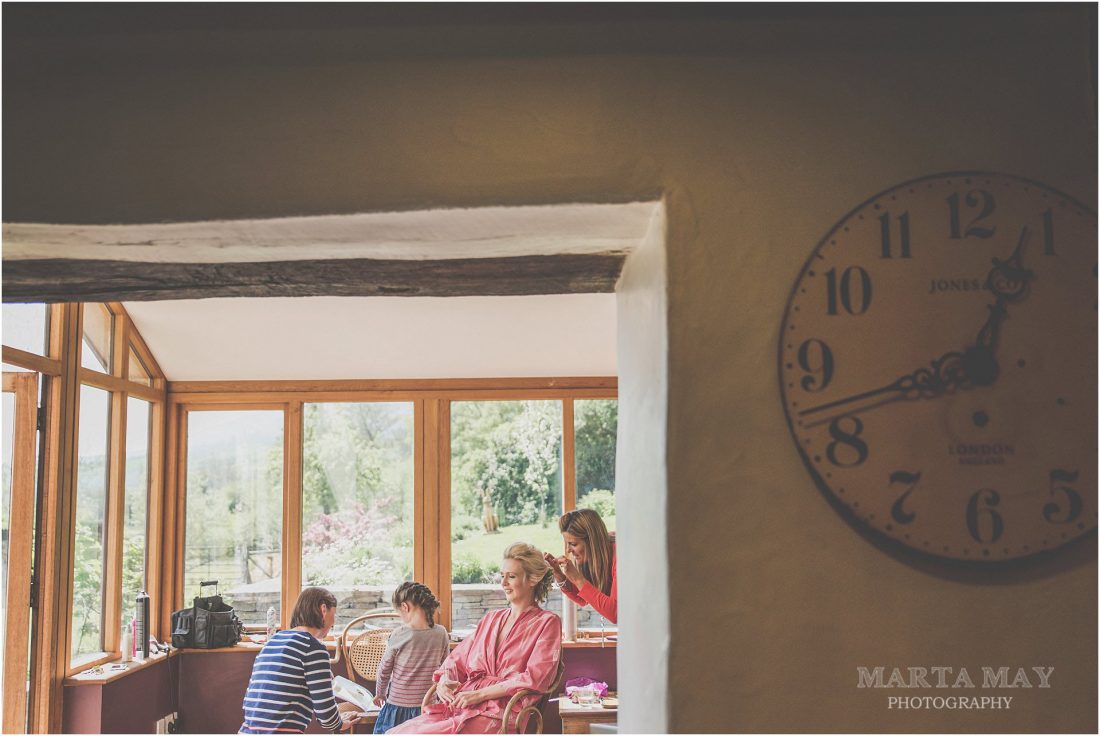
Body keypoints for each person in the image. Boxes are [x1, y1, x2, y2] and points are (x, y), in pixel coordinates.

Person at [387, 543, 562, 734]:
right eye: (502, 575)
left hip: (501, 714)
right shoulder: (491, 619)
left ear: (533, 580)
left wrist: (479, 695)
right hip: (462, 704)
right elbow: (456, 661)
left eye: (511, 576)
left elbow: (535, 678)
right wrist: (445, 681)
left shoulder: (547, 623)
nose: (503, 582)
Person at [240, 587, 361, 734]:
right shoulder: (313, 648)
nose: (333, 623)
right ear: (323, 609)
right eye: (333, 614)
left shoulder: (274, 640)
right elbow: (327, 719)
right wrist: (340, 723)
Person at [373, 582, 451, 733]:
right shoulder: (441, 633)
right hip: (427, 708)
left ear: (405, 607)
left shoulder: (399, 634)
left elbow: (384, 670)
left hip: (397, 708)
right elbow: (446, 669)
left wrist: (380, 693)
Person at [544, 508, 617, 624]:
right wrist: (558, 573)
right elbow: (583, 598)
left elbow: (615, 613)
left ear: (593, 542)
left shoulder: (620, 557)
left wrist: (577, 578)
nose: (568, 549)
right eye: (566, 543)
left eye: (573, 544)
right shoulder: (594, 556)